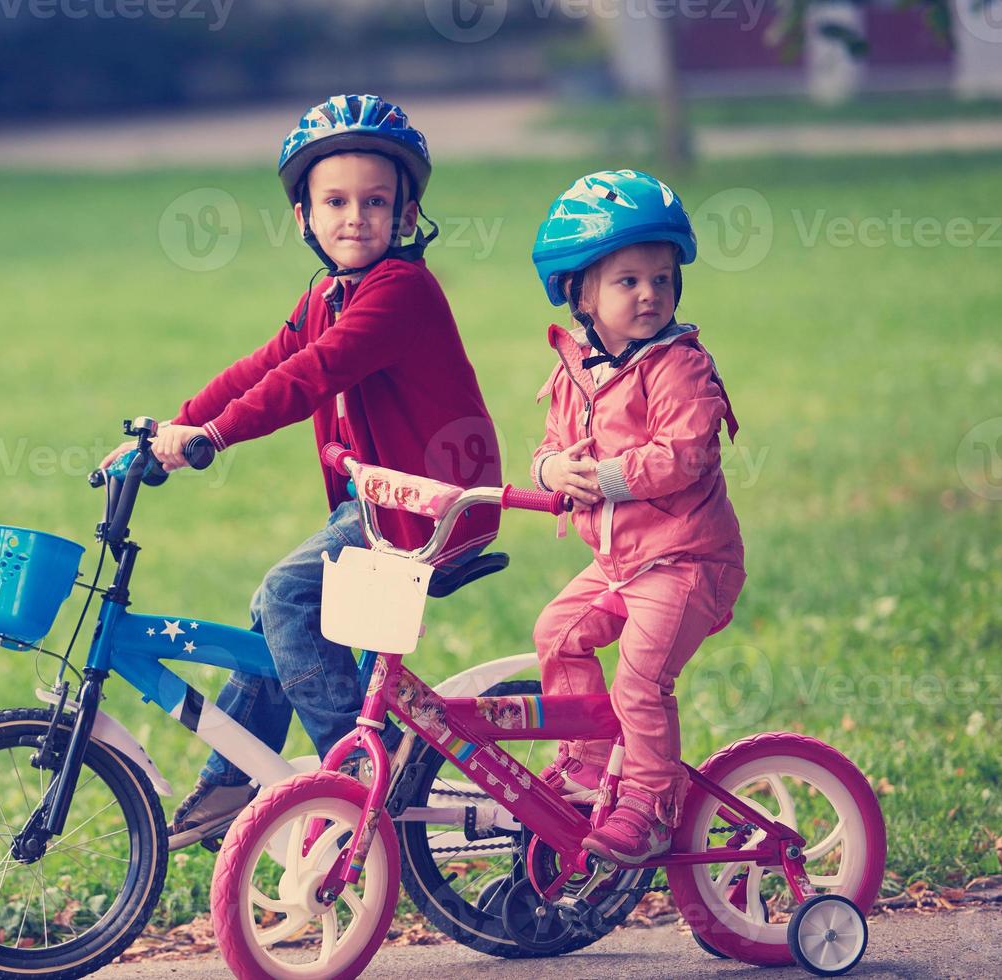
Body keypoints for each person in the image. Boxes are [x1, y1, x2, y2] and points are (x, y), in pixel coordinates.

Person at [99, 94, 502, 848]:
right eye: (336, 201)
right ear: (303, 218)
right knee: (274, 612)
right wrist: (176, 424)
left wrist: (212, 437)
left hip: (428, 507)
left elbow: (311, 375)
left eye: (375, 201)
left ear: (405, 215)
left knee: (286, 594)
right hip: (382, 504)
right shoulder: (326, 292)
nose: (355, 217)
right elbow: (270, 359)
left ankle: (350, 778)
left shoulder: (400, 291)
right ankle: (230, 783)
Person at [527, 169, 746, 864]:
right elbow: (551, 447)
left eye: (661, 277)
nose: (649, 293)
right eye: (627, 281)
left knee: (640, 681)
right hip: (621, 563)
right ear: (579, 292)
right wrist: (550, 471)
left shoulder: (677, 366)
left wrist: (605, 479)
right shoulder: (574, 370)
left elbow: (684, 454)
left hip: (687, 561)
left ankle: (649, 807)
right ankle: (588, 765)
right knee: (557, 633)